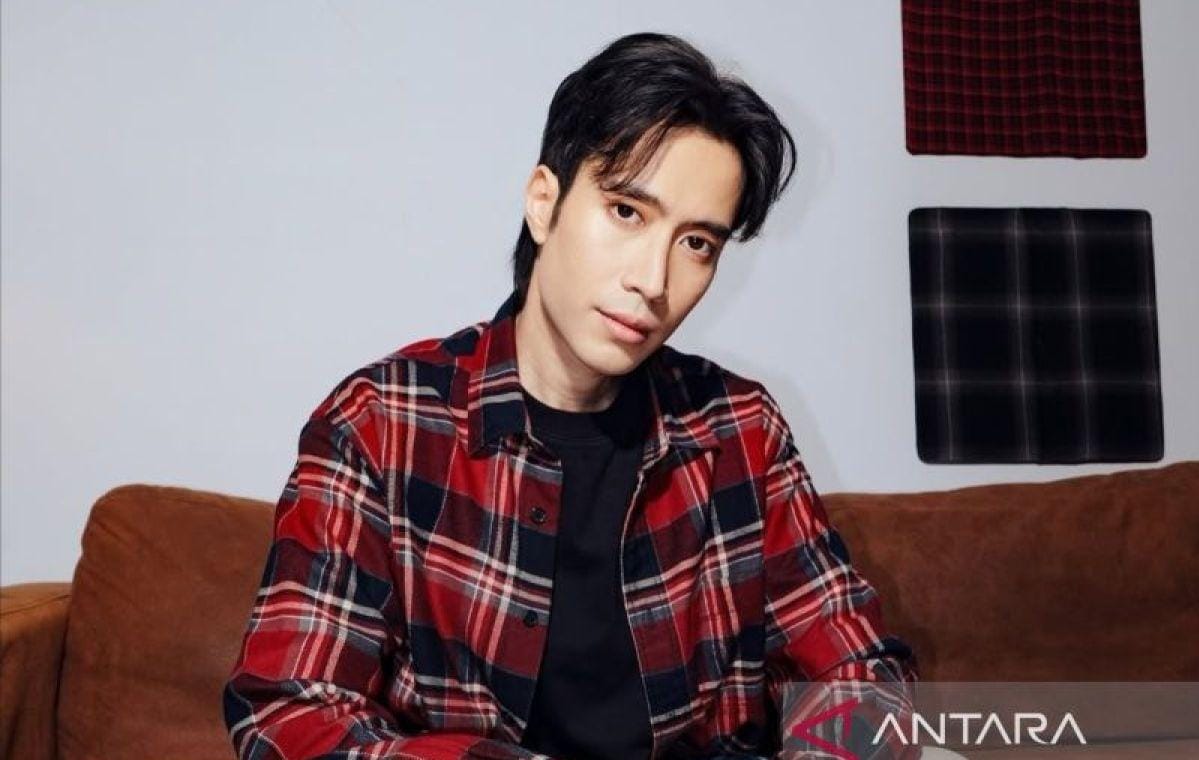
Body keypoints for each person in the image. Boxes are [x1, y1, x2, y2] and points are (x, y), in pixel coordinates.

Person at [223, 31, 919, 760]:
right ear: (543, 202)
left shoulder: (740, 430)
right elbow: (289, 713)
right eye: (627, 212)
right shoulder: (381, 424)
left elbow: (863, 676)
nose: (652, 280)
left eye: (696, 244)